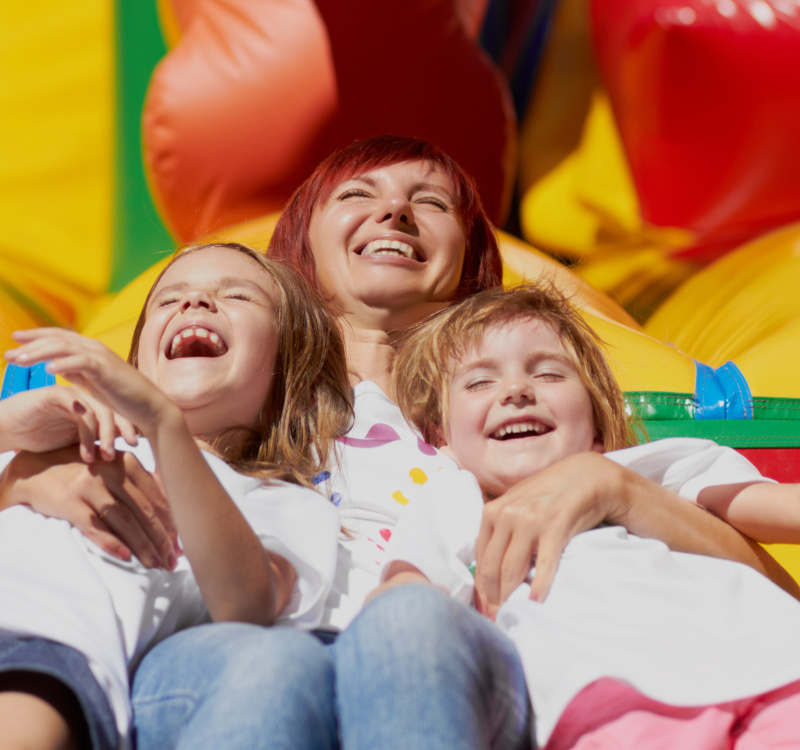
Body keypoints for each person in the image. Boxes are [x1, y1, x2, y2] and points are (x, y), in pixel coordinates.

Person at [0, 137, 790, 750]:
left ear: (472, 258)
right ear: (300, 249)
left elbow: (758, 591)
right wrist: (31, 475)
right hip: (246, 657)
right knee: (267, 667)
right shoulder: (221, 387)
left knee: (410, 629)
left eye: (429, 202)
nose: (395, 213)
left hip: (471, 663)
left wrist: (619, 490)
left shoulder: (523, 408)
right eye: (359, 195)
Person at [385, 282, 800, 749]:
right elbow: (404, 601)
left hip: (773, 663)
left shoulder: (656, 465)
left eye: (549, 374)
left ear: (597, 420)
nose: (517, 389)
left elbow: (776, 509)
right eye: (480, 382)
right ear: (443, 438)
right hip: (612, 696)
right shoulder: (457, 499)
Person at [0, 243, 350, 750]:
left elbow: (248, 602)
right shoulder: (57, 428)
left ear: (286, 363)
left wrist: (165, 426)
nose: (196, 303)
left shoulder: (278, 498)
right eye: (169, 300)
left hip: (39, 652)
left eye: (237, 295)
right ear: (138, 357)